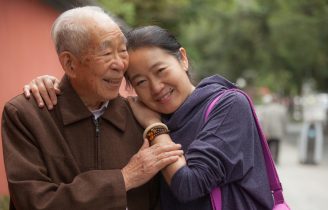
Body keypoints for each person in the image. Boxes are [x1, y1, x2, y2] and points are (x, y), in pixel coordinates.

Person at [24, 26, 274, 209]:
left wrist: (154, 127)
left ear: (183, 58)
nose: (156, 87)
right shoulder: (142, 115)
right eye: (141, 81)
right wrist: (51, 85)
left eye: (161, 70)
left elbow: (189, 185)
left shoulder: (228, 105)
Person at [2, 7, 184, 210]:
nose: (120, 64)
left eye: (123, 50)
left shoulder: (141, 115)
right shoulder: (27, 115)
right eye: (106, 52)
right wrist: (124, 178)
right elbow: (34, 202)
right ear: (70, 64)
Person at [259, 94, 287, 164]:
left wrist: (264, 131)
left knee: (268, 146)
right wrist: (284, 130)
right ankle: (276, 159)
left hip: (268, 131)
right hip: (278, 130)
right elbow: (284, 121)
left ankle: (269, 160)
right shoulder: (282, 109)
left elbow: (263, 122)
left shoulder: (266, 109)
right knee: (277, 145)